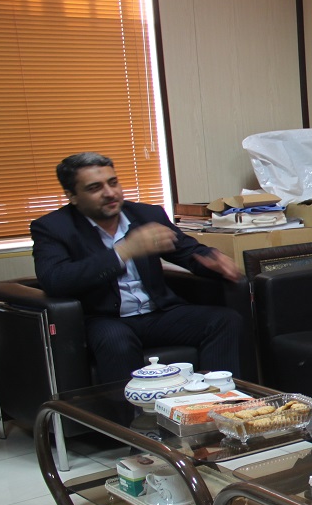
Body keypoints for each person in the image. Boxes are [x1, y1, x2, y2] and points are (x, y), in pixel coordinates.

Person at [31, 152, 245, 383]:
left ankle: (220, 398)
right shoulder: (53, 227)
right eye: (95, 188)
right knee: (117, 340)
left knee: (224, 320)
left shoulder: (146, 215)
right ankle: (128, 408)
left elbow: (188, 251)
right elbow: (55, 279)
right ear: (72, 196)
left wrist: (213, 260)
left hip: (158, 313)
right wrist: (124, 251)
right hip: (104, 319)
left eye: (113, 182)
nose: (110, 193)